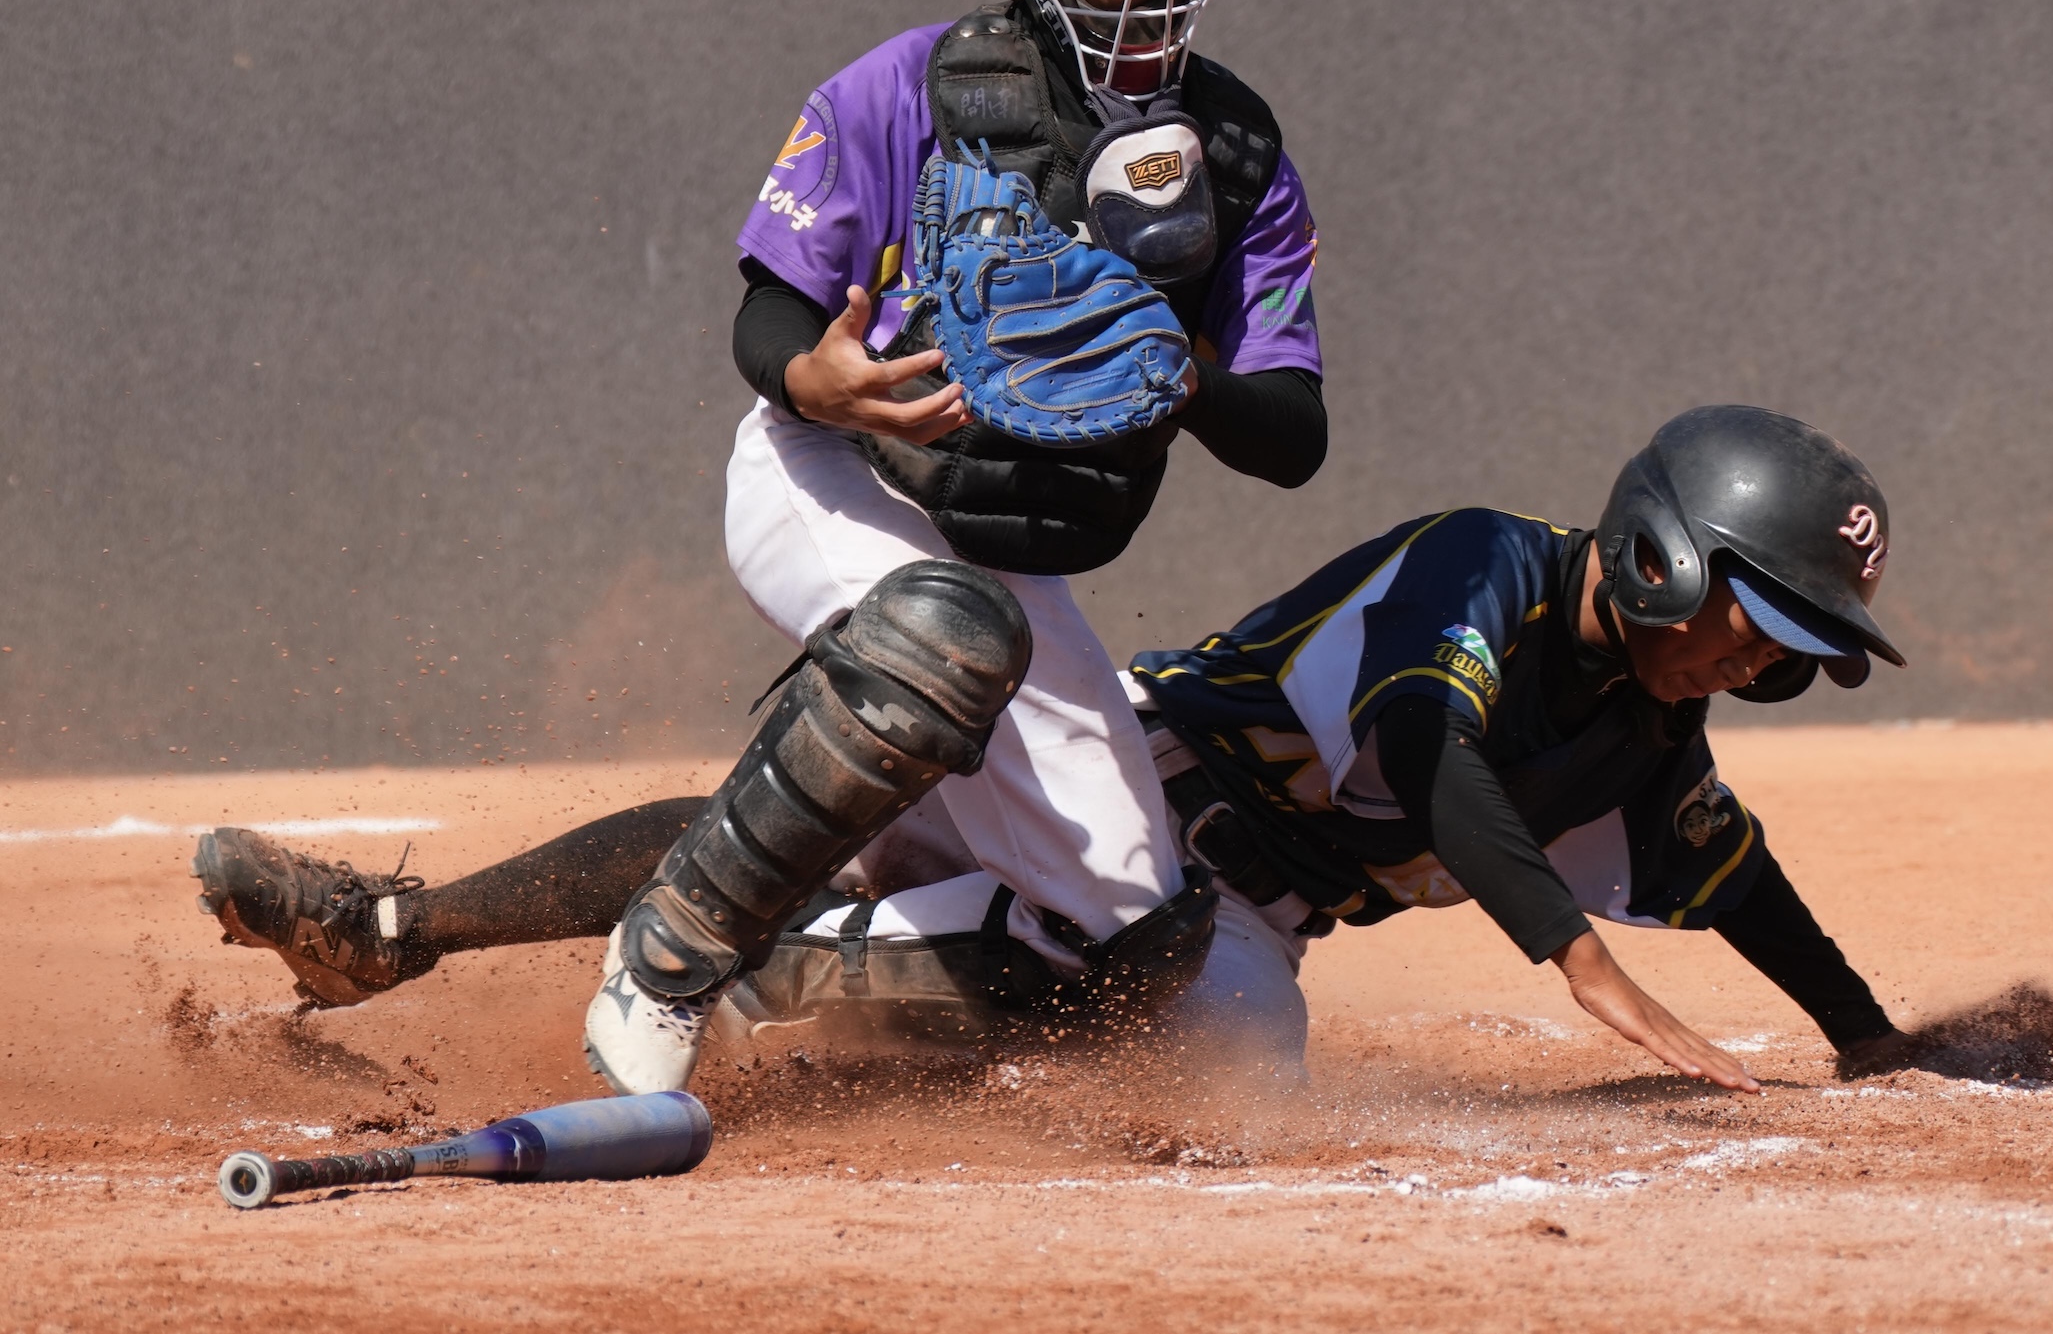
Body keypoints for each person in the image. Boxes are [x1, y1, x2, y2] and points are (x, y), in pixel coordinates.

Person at [195, 0, 1328, 1098]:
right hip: (836, 476)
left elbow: (1292, 438)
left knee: (1149, 962)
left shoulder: (1235, 152)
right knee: (939, 641)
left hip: (1006, 561)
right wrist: (822, 379)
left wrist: (1177, 359)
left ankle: (388, 933)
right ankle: (669, 960)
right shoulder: (912, 89)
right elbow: (770, 315)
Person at [196, 406, 1923, 1089]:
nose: (1772, 654)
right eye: (1763, 610)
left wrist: (1870, 1039)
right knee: (834, 810)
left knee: (1233, 1060)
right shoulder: (1487, 567)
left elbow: (1738, 876)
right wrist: (1586, 970)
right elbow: (1429, 751)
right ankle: (390, 928)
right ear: (1661, 552)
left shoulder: (1642, 730)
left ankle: (764, 1007)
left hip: (1223, 919)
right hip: (1112, 772)